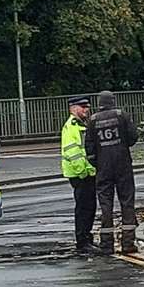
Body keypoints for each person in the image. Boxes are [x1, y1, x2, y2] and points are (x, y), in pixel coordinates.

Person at [84, 91, 138, 254]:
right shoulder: (122, 115)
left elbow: (89, 147)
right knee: (127, 202)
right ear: (112, 101)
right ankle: (128, 242)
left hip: (103, 167)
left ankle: (107, 244)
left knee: (105, 204)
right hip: (123, 164)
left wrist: (97, 163)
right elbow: (133, 137)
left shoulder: (92, 120)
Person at [59, 97, 97, 256]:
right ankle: (82, 242)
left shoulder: (83, 124)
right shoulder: (71, 127)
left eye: (87, 107)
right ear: (73, 109)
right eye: (82, 107)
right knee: (83, 208)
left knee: (90, 207)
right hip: (80, 174)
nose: (86, 110)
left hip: (86, 172)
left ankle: (87, 238)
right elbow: (73, 152)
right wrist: (84, 171)